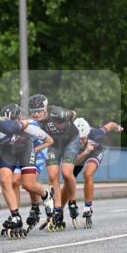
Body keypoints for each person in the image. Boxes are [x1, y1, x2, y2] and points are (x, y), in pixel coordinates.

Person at [0, 104, 54, 237]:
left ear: (19, 119)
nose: (10, 126)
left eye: (14, 122)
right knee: (12, 181)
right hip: (9, 152)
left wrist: (35, 150)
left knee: (28, 184)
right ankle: (14, 214)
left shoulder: (30, 127)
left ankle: (46, 195)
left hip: (26, 150)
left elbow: (50, 141)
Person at [28, 94, 78, 230]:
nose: (36, 115)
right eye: (33, 112)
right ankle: (58, 209)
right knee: (52, 176)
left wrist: (68, 119)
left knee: (67, 173)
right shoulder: (35, 122)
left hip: (70, 141)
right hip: (54, 144)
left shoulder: (56, 112)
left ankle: (72, 202)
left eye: (39, 111)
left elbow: (73, 113)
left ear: (46, 109)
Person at [70, 117, 124, 227]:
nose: (81, 141)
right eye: (78, 139)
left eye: (83, 138)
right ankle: (69, 204)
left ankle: (88, 207)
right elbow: (74, 161)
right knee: (69, 177)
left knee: (87, 174)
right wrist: (85, 151)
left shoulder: (96, 133)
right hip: (81, 154)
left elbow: (110, 124)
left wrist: (118, 128)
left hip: (95, 152)